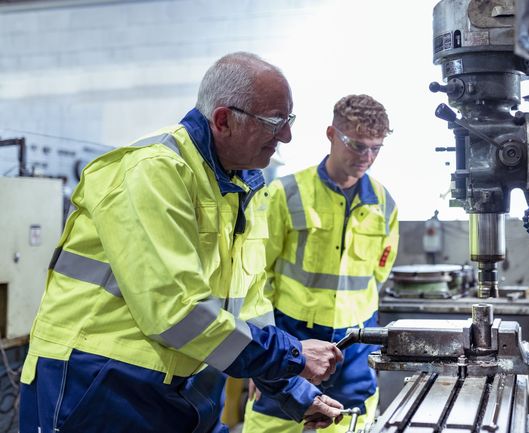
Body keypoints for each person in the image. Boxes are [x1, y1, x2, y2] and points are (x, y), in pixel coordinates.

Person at [19, 52, 345, 433]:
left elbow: (248, 307)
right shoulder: (155, 171)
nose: (286, 135)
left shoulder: (244, 187)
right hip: (100, 384)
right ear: (223, 120)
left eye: (288, 120)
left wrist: (293, 390)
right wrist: (290, 357)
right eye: (275, 122)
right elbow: (176, 311)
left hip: (185, 389)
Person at [243, 94, 399, 432]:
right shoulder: (284, 194)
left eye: (376, 148)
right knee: (272, 424)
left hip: (355, 351)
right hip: (290, 341)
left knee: (350, 423)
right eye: (357, 146)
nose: (367, 158)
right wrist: (262, 357)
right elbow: (253, 276)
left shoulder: (385, 204)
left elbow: (378, 273)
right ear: (331, 134)